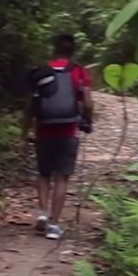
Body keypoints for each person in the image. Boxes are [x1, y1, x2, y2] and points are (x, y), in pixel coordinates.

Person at [21, 33, 93, 241]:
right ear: (73, 51)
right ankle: (54, 224)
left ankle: (42, 212)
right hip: (68, 130)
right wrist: (87, 120)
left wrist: (24, 134)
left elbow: (30, 106)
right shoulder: (79, 71)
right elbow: (87, 102)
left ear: (54, 49)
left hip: (43, 129)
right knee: (62, 177)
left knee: (44, 173)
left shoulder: (42, 71)